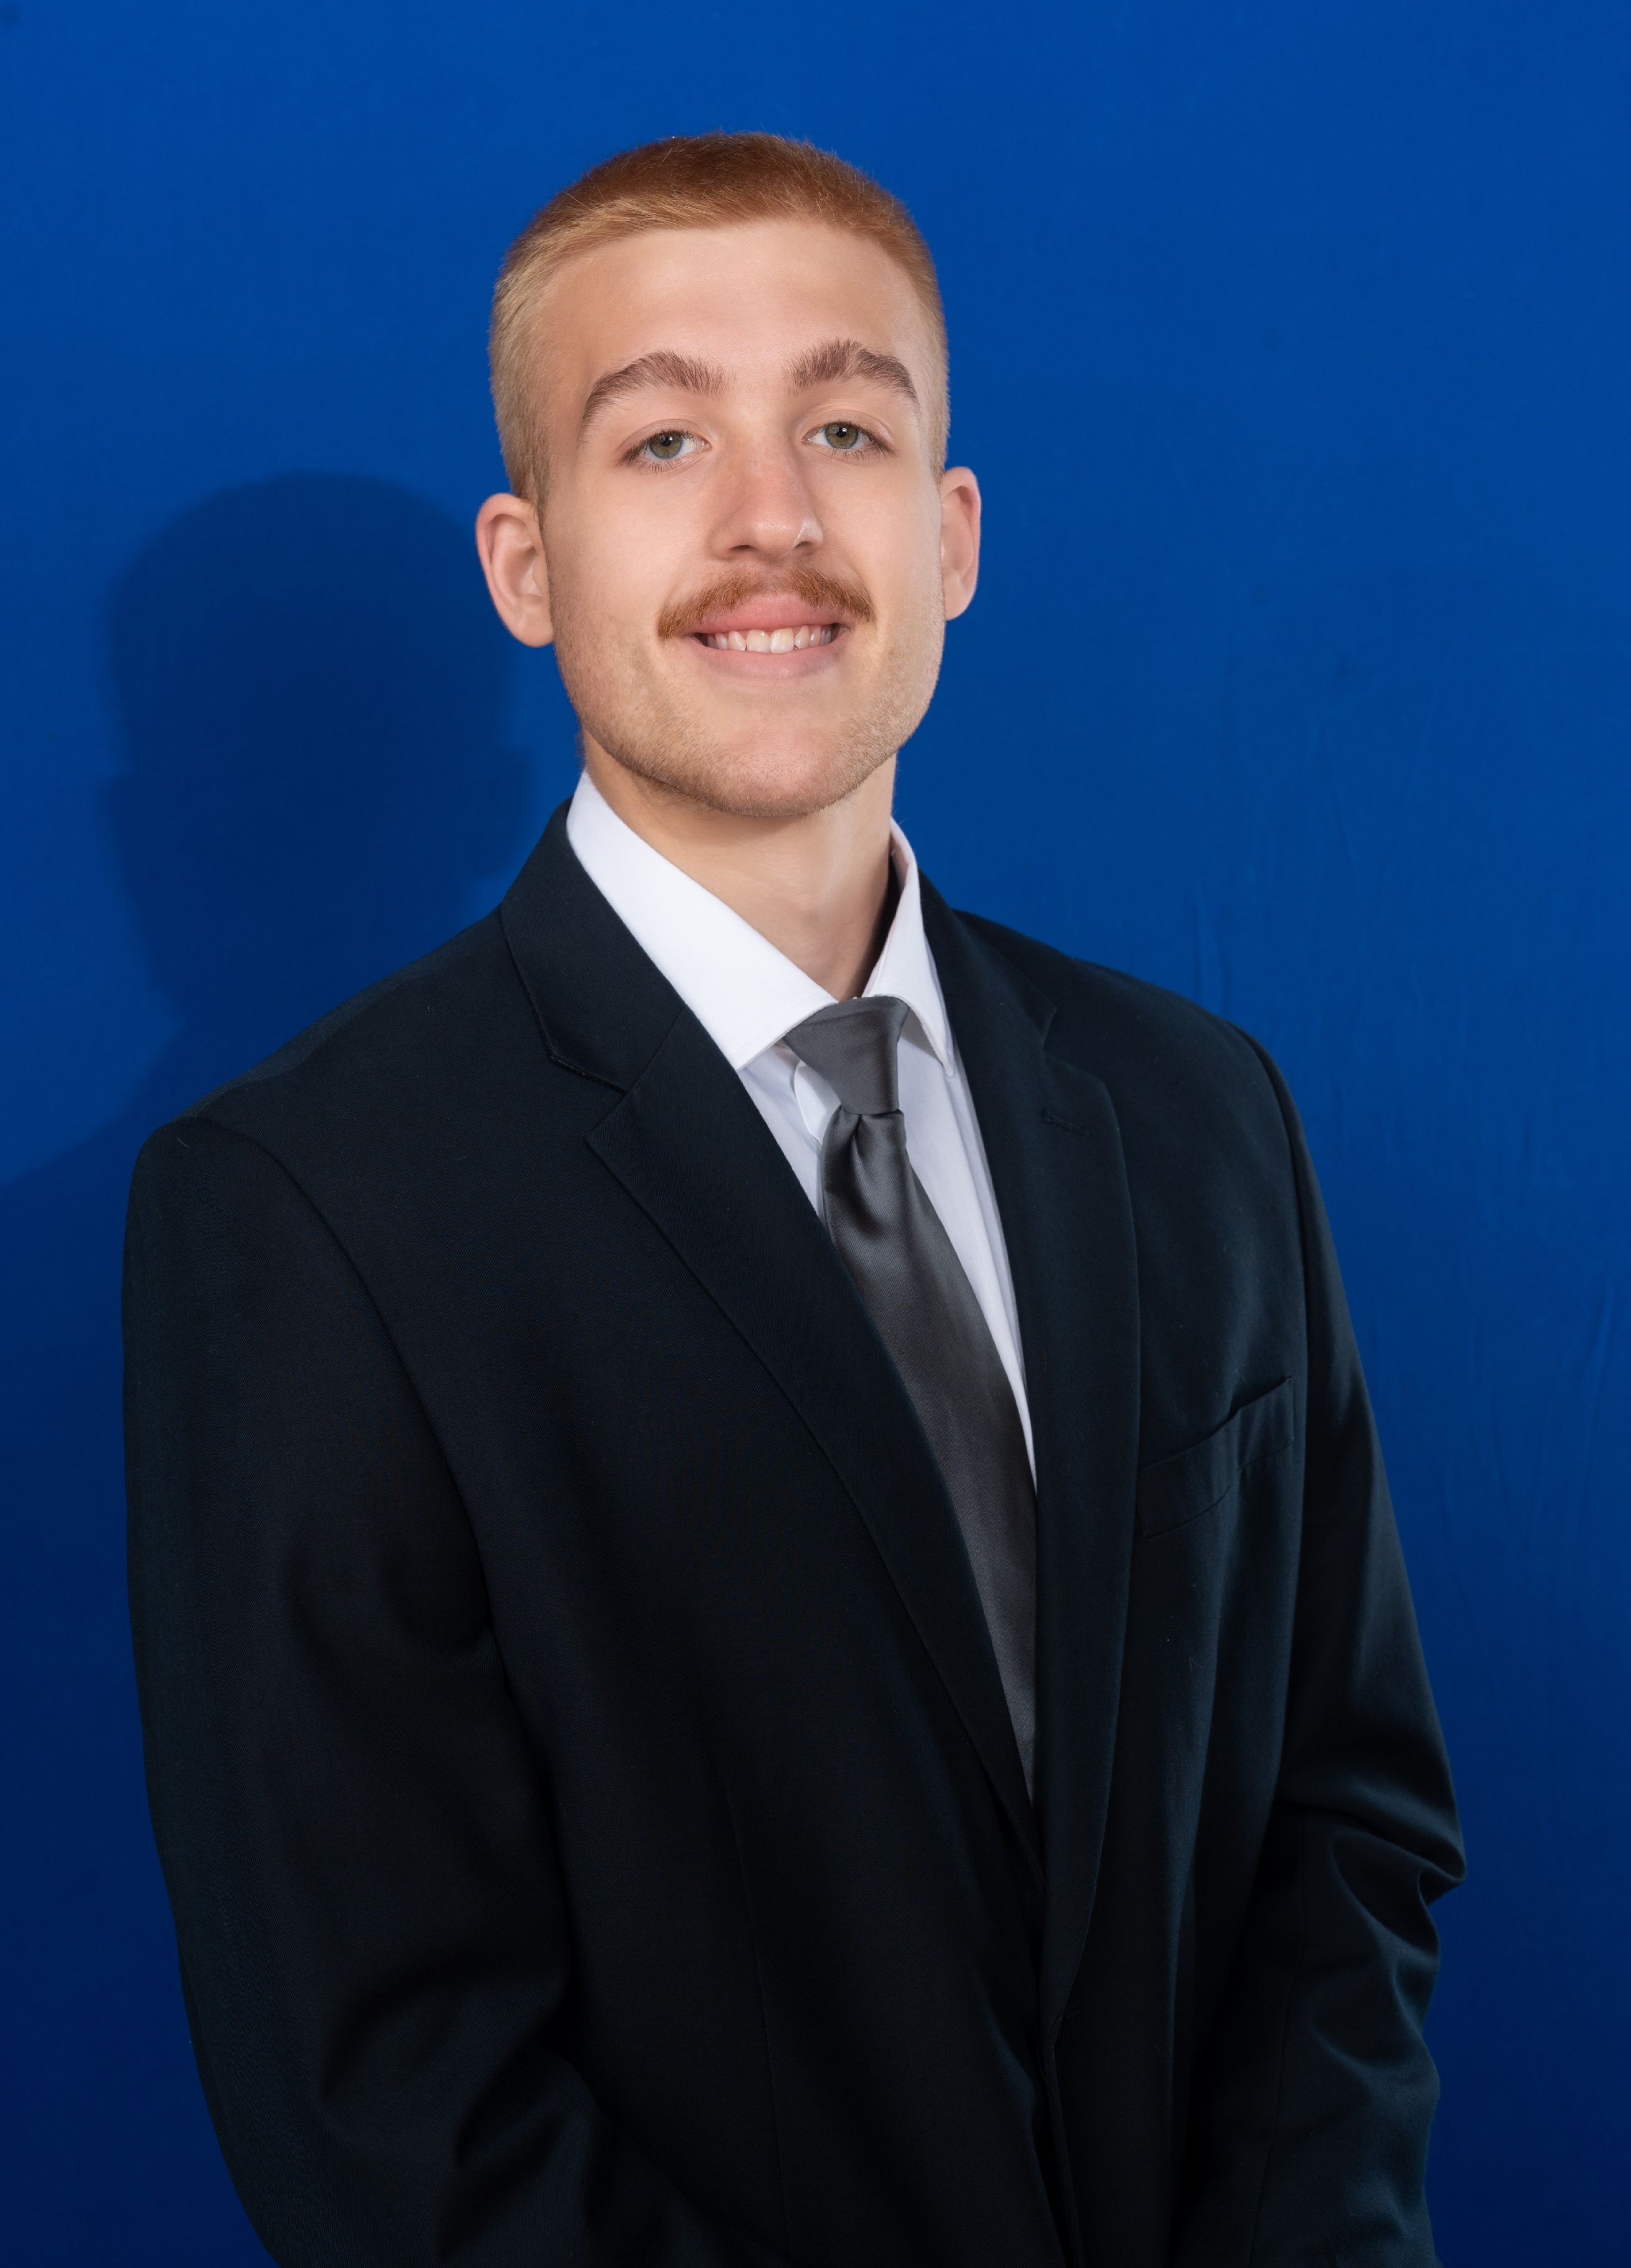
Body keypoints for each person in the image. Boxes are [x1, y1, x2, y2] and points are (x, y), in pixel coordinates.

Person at [125, 132, 1464, 2268]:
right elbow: (387, 2088)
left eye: (846, 426)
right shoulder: (305, 1211)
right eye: (662, 438)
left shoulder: (1204, 1117)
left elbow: (1352, 1817)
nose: (774, 516)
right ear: (526, 562)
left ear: (952, 532)